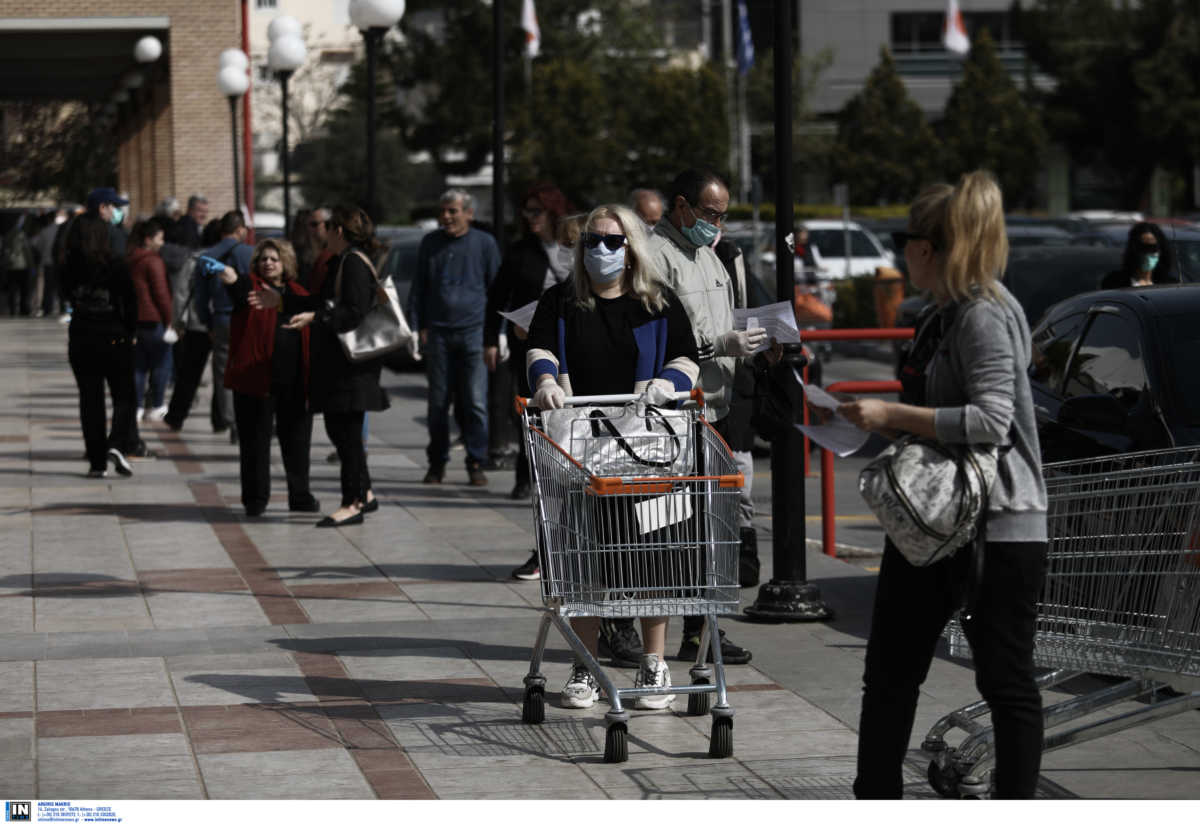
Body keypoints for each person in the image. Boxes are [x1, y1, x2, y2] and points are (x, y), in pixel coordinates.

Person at [839, 171, 1048, 800]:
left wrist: (891, 416)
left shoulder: (983, 314)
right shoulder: (945, 314)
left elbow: (992, 419)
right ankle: (874, 798)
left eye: (906, 241)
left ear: (931, 248)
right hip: (936, 523)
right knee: (891, 670)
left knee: (1004, 680)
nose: (900, 255)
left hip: (995, 525)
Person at [524, 203, 699, 710]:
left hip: (647, 452)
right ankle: (586, 663)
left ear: (632, 249)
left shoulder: (657, 303)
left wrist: (671, 383)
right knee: (585, 562)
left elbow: (686, 357)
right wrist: (547, 381)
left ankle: (654, 663)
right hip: (580, 450)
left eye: (613, 241)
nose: (601, 250)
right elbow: (539, 349)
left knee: (652, 555)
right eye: (593, 241)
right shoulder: (560, 301)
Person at [647, 168, 762, 666]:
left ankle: (701, 630)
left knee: (708, 526)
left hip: (714, 408)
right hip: (675, 412)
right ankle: (635, 626)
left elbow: (723, 319)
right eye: (711, 213)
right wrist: (720, 345)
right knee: (665, 526)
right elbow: (661, 337)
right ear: (682, 207)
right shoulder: (656, 256)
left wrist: (754, 345)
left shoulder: (708, 255)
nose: (718, 223)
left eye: (723, 214)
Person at [253, 205, 387, 527]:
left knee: (347, 434)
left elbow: (352, 312)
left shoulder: (353, 263)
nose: (323, 233)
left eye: (328, 227)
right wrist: (283, 301)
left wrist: (317, 318)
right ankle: (364, 494)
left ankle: (352, 502)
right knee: (341, 431)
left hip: (352, 368)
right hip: (340, 367)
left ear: (338, 231)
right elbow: (320, 300)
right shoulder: (342, 262)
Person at [485, 182, 575, 503]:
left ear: (554, 211)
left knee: (568, 411)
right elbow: (498, 296)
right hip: (529, 342)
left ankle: (566, 472)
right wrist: (491, 339)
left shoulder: (573, 247)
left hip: (571, 343)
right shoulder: (521, 251)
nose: (530, 217)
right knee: (530, 408)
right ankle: (525, 476)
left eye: (536, 211)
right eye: (526, 211)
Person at [409, 189, 501, 487]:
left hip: (474, 333)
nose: (446, 217)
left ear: (469, 214)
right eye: (443, 211)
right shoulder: (430, 243)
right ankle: (437, 463)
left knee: (475, 402)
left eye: (453, 211)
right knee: (438, 403)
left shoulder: (485, 244)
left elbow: (497, 291)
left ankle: (475, 460)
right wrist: (414, 326)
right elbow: (419, 288)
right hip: (438, 333)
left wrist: (496, 335)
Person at [224, 238, 318, 517]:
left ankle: (300, 495)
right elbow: (234, 286)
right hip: (254, 380)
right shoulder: (248, 289)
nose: (267, 263)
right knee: (254, 443)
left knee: (298, 442)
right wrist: (227, 275)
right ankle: (255, 499)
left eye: (274, 259)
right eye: (263, 258)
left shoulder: (298, 293)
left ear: (285, 263)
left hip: (294, 380)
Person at [60, 214, 139, 478]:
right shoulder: (116, 264)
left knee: (90, 399)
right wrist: (130, 331)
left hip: (83, 336)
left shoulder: (70, 265)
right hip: (115, 335)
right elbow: (130, 300)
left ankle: (97, 462)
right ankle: (116, 443)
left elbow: (64, 294)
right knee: (124, 394)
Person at [194, 211, 254, 441]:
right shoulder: (250, 254)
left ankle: (233, 422)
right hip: (247, 319)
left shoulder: (207, 257)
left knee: (223, 373)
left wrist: (207, 323)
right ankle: (248, 417)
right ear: (239, 230)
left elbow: (200, 299)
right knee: (249, 368)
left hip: (220, 319)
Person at [127, 220, 173, 422]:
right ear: (149, 239)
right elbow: (161, 293)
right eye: (160, 238)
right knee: (162, 363)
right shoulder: (153, 261)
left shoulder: (130, 258)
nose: (162, 243)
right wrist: (170, 319)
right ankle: (156, 405)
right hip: (154, 319)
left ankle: (136, 407)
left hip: (135, 319)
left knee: (138, 366)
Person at [1099, 222, 1178, 289]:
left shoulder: (1170, 286)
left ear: (1161, 250)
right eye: (1142, 247)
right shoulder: (1114, 283)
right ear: (1133, 249)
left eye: (1153, 248)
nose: (1147, 252)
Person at [1, 212, 35, 316]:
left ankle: (12, 309)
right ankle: (23, 309)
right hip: (22, 266)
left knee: (12, 289)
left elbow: (4, 251)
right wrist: (31, 265)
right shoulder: (21, 235)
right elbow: (26, 251)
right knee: (23, 289)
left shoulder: (7, 235)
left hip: (11, 266)